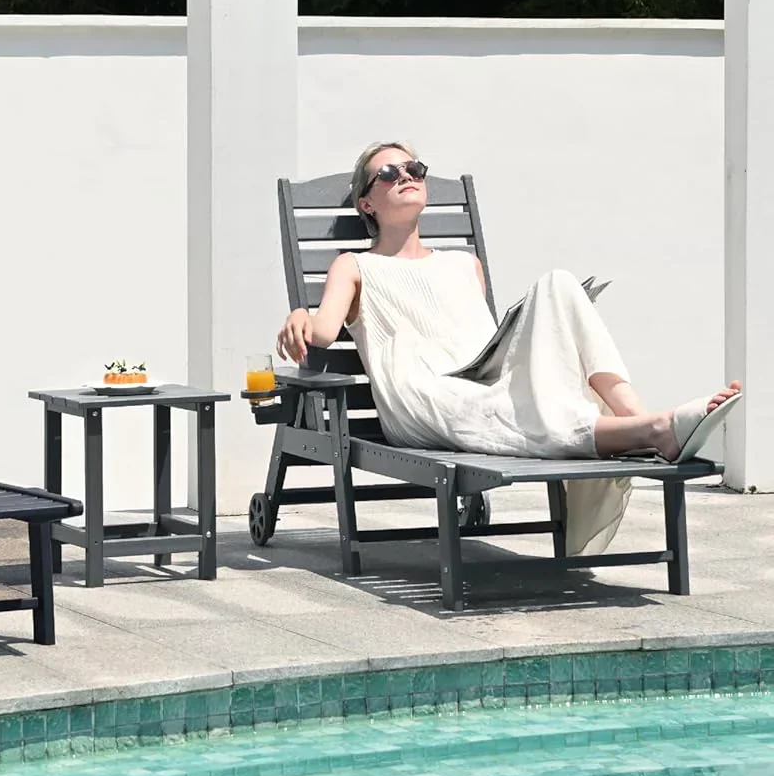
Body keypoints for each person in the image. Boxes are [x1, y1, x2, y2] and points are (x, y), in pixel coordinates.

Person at [276, 139, 743, 557]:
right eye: (388, 173)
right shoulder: (355, 265)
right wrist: (301, 314)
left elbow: (483, 343)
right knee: (486, 403)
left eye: (414, 169)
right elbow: (322, 332)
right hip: (425, 394)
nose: (406, 176)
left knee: (559, 284)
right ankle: (654, 431)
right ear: (366, 202)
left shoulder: (464, 264)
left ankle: (636, 417)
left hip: (487, 379)